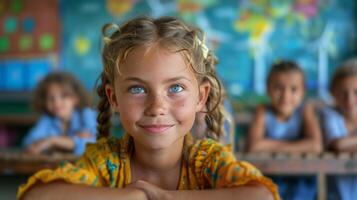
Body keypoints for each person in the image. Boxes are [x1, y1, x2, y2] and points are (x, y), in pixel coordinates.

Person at [18, 16, 279, 200]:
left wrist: (164, 197)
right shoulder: (106, 163)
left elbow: (262, 196)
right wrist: (135, 195)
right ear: (114, 98)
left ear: (201, 97)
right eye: (137, 89)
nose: (157, 107)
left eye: (175, 88)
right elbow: (37, 196)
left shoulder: (207, 161)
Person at [248, 60, 322, 200]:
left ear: (303, 92)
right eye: (278, 88)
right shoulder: (262, 111)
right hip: (268, 176)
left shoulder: (305, 110)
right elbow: (253, 146)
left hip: (300, 177)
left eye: (293, 89)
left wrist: (269, 145)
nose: (285, 96)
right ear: (268, 88)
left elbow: (315, 146)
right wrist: (299, 145)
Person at [23, 72, 97, 155]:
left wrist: (53, 141)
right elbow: (29, 143)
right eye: (51, 98)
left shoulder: (86, 113)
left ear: (76, 98)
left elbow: (94, 143)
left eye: (64, 96)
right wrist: (72, 141)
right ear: (44, 102)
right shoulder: (47, 119)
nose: (56, 102)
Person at [321, 58, 357, 200]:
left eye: (356, 92)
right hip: (336, 193)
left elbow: (343, 144)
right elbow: (337, 145)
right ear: (333, 93)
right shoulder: (329, 114)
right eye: (343, 92)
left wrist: (349, 143)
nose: (350, 99)